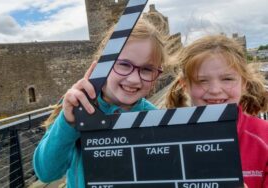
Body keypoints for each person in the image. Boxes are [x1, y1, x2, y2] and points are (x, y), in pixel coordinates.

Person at [33, 18, 167, 188]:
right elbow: (47, 173)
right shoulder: (76, 109)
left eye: (147, 69)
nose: (133, 79)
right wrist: (68, 123)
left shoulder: (156, 120)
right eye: (124, 65)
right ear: (103, 64)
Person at [165, 35, 268, 188]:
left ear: (244, 83)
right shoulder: (166, 138)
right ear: (185, 85)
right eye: (202, 81)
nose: (215, 90)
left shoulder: (264, 138)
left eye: (227, 79)